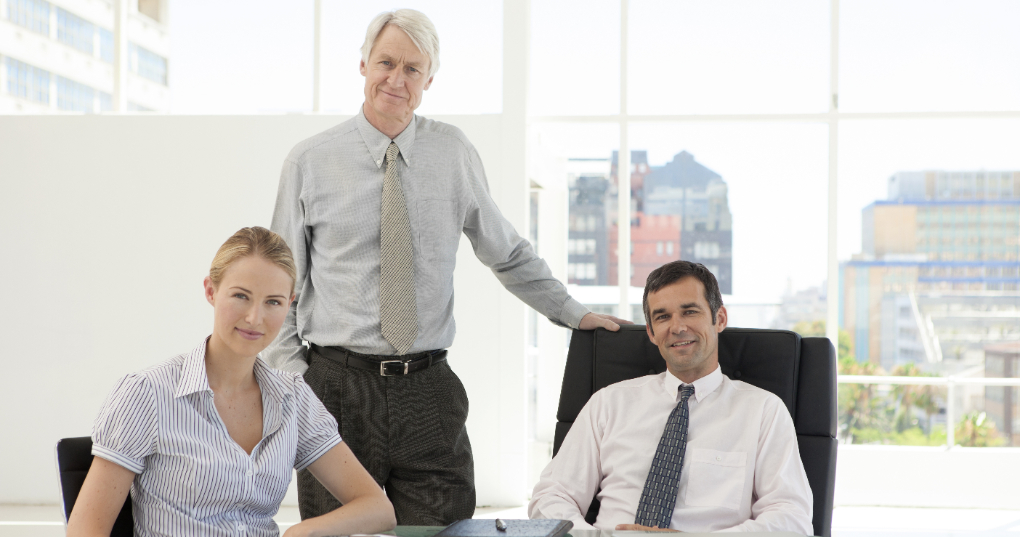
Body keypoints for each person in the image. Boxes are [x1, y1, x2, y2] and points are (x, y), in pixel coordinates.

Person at [265, 8, 627, 525]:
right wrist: (297, 381)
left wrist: (572, 313)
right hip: (336, 387)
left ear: (429, 78)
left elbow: (505, 250)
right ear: (363, 65)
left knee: (448, 531)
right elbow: (279, 285)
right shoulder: (310, 161)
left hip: (428, 388)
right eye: (386, 62)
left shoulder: (452, 152)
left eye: (413, 68)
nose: (397, 79)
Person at [67, 227, 396, 537]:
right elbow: (86, 530)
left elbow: (377, 508)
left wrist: (303, 530)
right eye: (241, 296)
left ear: (290, 304)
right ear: (211, 290)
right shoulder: (147, 394)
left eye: (273, 302)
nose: (255, 318)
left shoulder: (292, 397)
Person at [529, 260, 813, 533]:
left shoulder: (764, 411)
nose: (677, 327)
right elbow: (550, 497)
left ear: (719, 318)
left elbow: (791, 518)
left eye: (690, 311)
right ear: (651, 332)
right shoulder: (608, 404)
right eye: (662, 316)